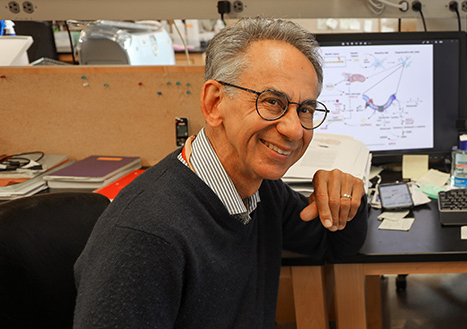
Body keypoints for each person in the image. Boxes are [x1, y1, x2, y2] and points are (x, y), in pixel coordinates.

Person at [73, 18, 368, 328]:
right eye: (271, 102)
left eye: (305, 109)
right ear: (214, 103)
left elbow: (335, 244)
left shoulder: (260, 191)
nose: (294, 129)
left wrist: (346, 198)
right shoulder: (147, 235)